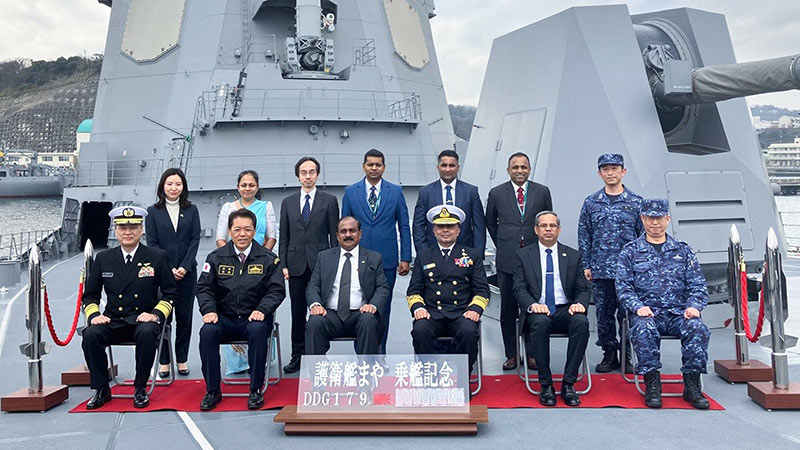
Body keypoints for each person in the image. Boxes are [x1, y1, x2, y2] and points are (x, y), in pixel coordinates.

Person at [616, 198, 710, 410]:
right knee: (643, 329)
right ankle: (652, 383)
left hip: (679, 314)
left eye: (659, 218)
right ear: (642, 219)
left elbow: (698, 285)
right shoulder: (630, 251)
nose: (655, 223)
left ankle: (692, 385)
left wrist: (694, 306)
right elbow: (623, 288)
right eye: (650, 218)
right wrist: (638, 307)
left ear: (667, 219)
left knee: (698, 328)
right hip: (648, 313)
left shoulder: (683, 251)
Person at [81, 206, 176, 409]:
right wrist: (94, 315)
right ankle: (101, 389)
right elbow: (90, 295)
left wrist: (155, 314)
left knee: (147, 332)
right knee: (90, 335)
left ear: (141, 230)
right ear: (115, 231)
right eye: (122, 227)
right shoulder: (104, 258)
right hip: (113, 320)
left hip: (143, 319)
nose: (128, 232)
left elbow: (170, 293)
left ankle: (140, 387)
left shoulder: (157, 257)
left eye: (133, 227)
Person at [196, 208, 285, 411]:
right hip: (224, 318)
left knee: (257, 331)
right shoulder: (215, 258)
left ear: (254, 231)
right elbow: (204, 288)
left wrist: (262, 309)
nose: (242, 234)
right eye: (237, 229)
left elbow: (277, 290)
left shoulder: (269, 259)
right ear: (229, 231)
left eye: (247, 229)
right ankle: (212, 390)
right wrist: (209, 310)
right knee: (207, 332)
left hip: (254, 318)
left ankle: (255, 389)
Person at [513, 211, 590, 407]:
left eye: (553, 226)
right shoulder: (523, 255)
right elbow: (519, 289)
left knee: (581, 322)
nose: (548, 229)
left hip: (565, 309)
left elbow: (583, 288)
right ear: (536, 230)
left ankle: (568, 384)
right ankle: (546, 385)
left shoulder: (573, 256)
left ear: (559, 230)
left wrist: (580, 304)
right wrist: (533, 305)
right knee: (540, 324)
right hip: (538, 309)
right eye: (544, 226)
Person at [486, 152, 552, 370]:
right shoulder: (497, 193)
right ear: (508, 170)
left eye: (524, 167)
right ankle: (512, 354)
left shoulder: (542, 192)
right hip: (507, 259)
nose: (520, 171)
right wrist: (505, 242)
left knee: (533, 306)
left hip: (534, 259)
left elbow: (547, 220)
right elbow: (491, 222)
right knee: (508, 309)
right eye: (515, 167)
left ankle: (532, 353)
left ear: (529, 169)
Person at [578, 153, 642, 374]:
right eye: (605, 169)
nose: (610, 173)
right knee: (604, 316)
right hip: (601, 269)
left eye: (614, 168)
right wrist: (586, 265)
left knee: (628, 315)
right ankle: (609, 354)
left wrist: (640, 267)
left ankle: (626, 355)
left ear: (623, 171)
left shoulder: (636, 202)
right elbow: (584, 235)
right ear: (599, 174)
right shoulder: (591, 202)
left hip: (628, 272)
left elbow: (642, 237)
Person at [342, 148, 411, 353]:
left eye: (378, 165)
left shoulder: (396, 192)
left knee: (383, 307)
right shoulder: (351, 192)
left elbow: (403, 226)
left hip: (386, 259)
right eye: (370, 164)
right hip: (357, 258)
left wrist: (405, 257)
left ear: (384, 167)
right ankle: (361, 352)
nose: (374, 168)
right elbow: (344, 227)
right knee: (358, 305)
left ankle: (381, 352)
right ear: (363, 166)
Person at [407, 205, 489, 375]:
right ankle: (430, 376)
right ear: (434, 231)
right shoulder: (424, 256)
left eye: (450, 226)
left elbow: (482, 290)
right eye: (440, 227)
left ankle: (463, 376)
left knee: (469, 333)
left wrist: (475, 309)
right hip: (432, 313)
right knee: (420, 331)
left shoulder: (471, 255)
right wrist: (418, 308)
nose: (445, 230)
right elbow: (414, 290)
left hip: (461, 313)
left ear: (458, 230)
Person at [279, 157, 339, 373]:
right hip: (295, 266)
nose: (308, 176)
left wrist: (334, 264)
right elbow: (284, 237)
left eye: (312, 172)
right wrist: (283, 264)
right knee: (297, 314)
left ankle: (319, 355)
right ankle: (297, 356)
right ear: (298, 176)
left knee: (321, 312)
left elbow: (334, 235)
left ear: (317, 175)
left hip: (321, 265)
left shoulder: (329, 201)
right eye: (303, 172)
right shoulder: (287, 202)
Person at [214, 170, 278, 372]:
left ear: (257, 187)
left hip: (259, 266)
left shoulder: (266, 206)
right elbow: (220, 238)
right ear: (238, 187)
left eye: (251, 185)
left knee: (260, 312)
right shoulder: (228, 207)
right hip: (233, 264)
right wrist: (233, 257)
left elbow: (271, 236)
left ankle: (258, 362)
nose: (247, 188)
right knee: (232, 307)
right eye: (244, 185)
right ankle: (238, 363)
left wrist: (258, 257)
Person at [146, 168, 201, 379]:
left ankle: (182, 359)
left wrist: (184, 267)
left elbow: (195, 240)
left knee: (185, 318)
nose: (173, 188)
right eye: (169, 184)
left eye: (178, 184)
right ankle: (164, 361)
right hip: (162, 274)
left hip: (187, 273)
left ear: (183, 187)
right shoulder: (153, 212)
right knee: (163, 318)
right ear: (162, 186)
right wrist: (168, 268)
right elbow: (153, 243)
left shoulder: (192, 210)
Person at [305, 217, 389, 355]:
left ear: (360, 234)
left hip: (361, 314)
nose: (348, 235)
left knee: (369, 321)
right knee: (314, 322)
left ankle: (366, 368)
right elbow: (313, 285)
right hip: (330, 314)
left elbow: (382, 287)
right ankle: (316, 368)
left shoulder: (374, 258)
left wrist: (372, 305)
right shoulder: (324, 257)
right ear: (337, 236)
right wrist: (315, 305)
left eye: (352, 231)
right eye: (343, 231)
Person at [412, 149, 486, 254]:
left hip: (464, 252)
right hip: (433, 252)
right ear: (438, 167)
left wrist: (477, 255)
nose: (447, 169)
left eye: (451, 165)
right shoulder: (426, 192)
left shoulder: (471, 192)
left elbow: (479, 227)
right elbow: (418, 226)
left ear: (458, 167)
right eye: (444, 165)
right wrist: (424, 254)